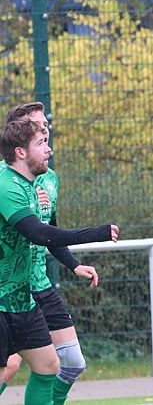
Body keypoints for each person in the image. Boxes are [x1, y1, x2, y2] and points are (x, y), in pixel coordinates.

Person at [0, 119, 119, 405]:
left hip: (22, 299)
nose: (48, 148)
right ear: (20, 152)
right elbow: (39, 233)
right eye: (41, 143)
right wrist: (96, 233)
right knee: (7, 368)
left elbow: (48, 230)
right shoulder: (6, 185)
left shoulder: (34, 184)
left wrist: (73, 263)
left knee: (48, 366)